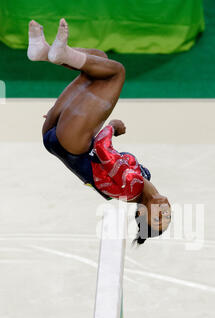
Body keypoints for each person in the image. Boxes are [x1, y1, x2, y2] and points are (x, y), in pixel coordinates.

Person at [27, 18, 171, 244]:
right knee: (98, 61)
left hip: (74, 142)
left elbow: (102, 148)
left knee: (116, 73)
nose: (165, 211)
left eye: (159, 218)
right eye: (168, 217)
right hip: (62, 139)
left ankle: (57, 54)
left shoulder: (132, 185)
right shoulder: (142, 179)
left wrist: (113, 127)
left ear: (142, 213)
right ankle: (43, 51)